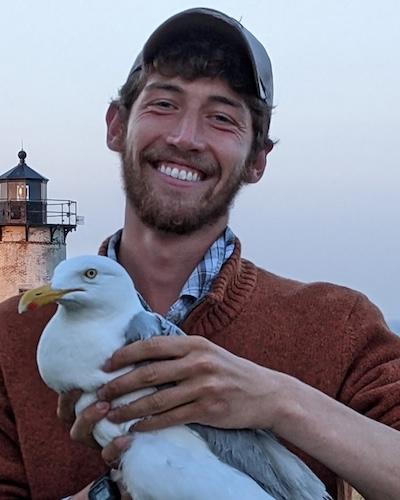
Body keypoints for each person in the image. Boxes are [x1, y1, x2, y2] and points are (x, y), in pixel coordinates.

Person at [0, 7, 399, 500]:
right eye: (164, 104)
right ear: (116, 127)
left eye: (222, 118)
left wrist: (278, 400)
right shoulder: (8, 339)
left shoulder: (341, 325)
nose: (185, 137)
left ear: (256, 160)